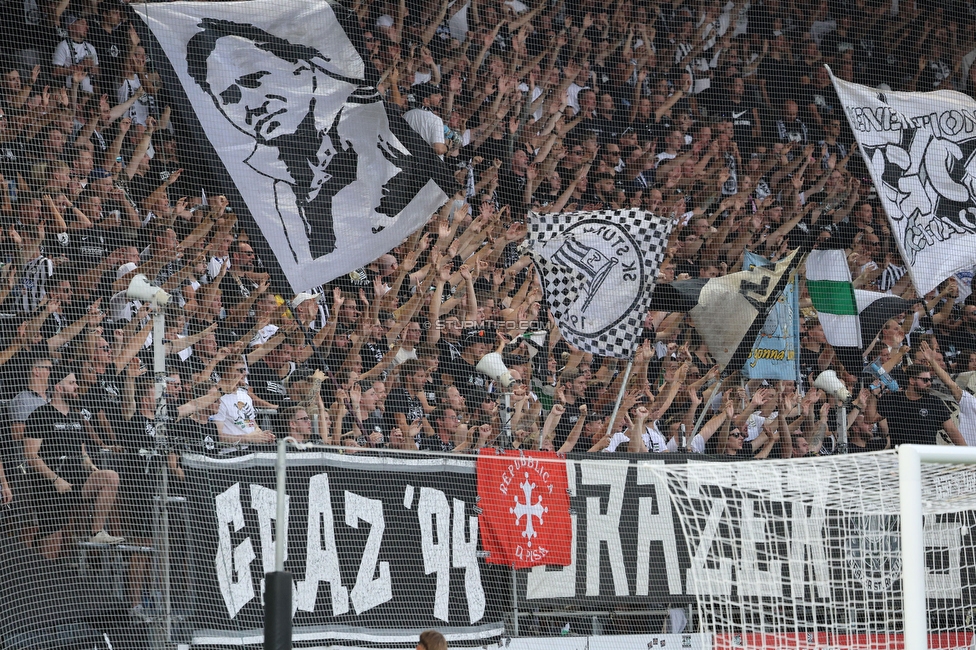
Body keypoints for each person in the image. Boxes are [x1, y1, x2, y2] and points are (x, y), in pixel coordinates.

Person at [23, 365, 125, 558]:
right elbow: (31, 456)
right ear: (59, 388)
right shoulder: (40, 415)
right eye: (72, 383)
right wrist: (56, 480)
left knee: (110, 477)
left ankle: (96, 532)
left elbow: (83, 451)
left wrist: (92, 467)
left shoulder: (77, 416)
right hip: (49, 486)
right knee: (51, 543)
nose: (77, 386)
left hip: (77, 479)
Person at [871, 363, 967, 447]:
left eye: (930, 380)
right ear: (912, 380)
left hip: (927, 460)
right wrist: (873, 395)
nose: (929, 383)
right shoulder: (894, 400)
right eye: (925, 380)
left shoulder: (935, 402)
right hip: (901, 459)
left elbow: (952, 431)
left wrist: (970, 456)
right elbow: (870, 419)